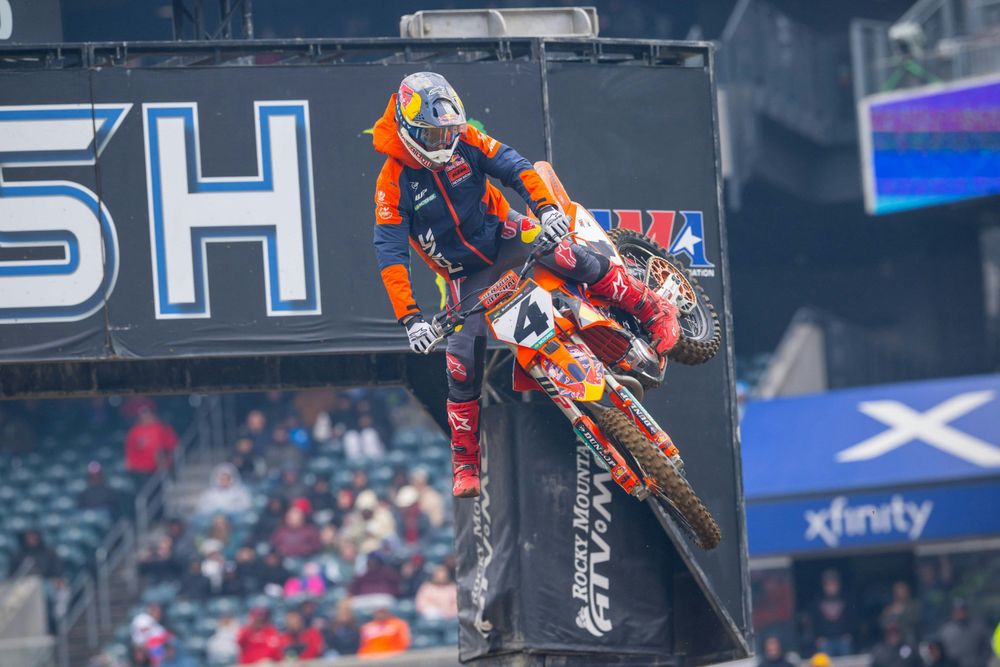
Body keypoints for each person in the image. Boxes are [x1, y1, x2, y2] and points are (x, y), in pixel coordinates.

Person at [371, 72, 680, 498]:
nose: (444, 142)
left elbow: (515, 166)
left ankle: (651, 306)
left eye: (449, 131)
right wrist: (411, 319)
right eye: (434, 134)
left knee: (568, 255)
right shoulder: (392, 184)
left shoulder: (467, 141)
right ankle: (465, 462)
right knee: (460, 362)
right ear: (409, 130)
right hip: (465, 275)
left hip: (507, 233)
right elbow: (390, 254)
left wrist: (547, 210)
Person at [124, 407, 178, 489]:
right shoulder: (135, 431)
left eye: (148, 415)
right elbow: (130, 449)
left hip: (158, 468)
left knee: (159, 489)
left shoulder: (161, 428)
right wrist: (129, 462)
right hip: (141, 469)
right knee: (145, 489)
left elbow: (171, 444)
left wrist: (166, 459)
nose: (146, 418)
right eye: (144, 416)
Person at [810, 569, 854, 657]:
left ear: (838, 585)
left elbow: (852, 618)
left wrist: (850, 634)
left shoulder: (846, 599)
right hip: (825, 640)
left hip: (843, 638)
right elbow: (813, 621)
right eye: (828, 584)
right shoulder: (817, 601)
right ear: (824, 586)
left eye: (834, 584)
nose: (831, 587)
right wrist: (817, 638)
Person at [937, 599, 991, 667]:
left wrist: (981, 662)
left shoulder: (978, 628)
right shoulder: (946, 631)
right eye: (957, 611)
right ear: (952, 612)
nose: (960, 613)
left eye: (962, 610)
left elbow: (987, 647)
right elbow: (941, 652)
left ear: (967, 611)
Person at [881, 580, 922, 646]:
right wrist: (888, 614)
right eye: (898, 592)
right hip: (894, 641)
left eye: (902, 591)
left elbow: (914, 619)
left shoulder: (914, 604)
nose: (900, 594)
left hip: (910, 639)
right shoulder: (890, 608)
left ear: (907, 592)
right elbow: (883, 623)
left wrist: (900, 612)